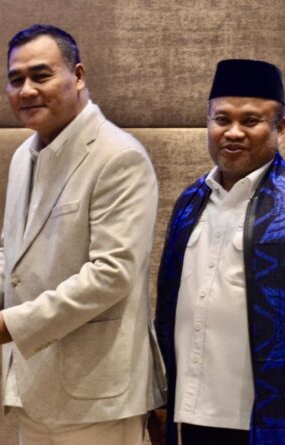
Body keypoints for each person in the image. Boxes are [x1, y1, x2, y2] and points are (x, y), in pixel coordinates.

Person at [0, 24, 164, 444]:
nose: (27, 90)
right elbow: (10, 254)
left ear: (78, 75)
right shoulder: (23, 155)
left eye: (41, 75)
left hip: (98, 394)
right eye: (16, 80)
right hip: (34, 388)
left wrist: (12, 324)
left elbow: (111, 274)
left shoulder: (118, 155)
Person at [154, 59, 285, 445]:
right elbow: (167, 305)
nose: (233, 132)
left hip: (267, 416)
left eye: (251, 121)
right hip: (194, 411)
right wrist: (161, 395)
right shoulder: (189, 202)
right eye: (222, 119)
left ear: (280, 127)